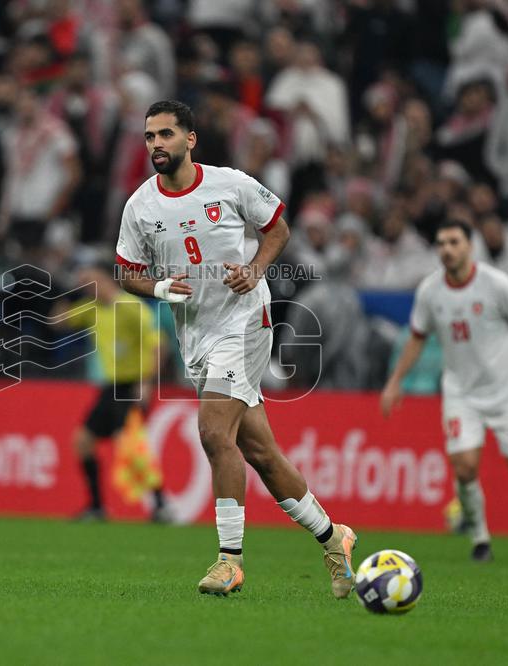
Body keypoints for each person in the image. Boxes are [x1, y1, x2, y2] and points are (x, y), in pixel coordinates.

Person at [115, 100, 357, 598]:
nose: (156, 144)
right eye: (149, 136)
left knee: (211, 430)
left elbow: (277, 229)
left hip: (245, 321)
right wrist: (160, 290)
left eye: (165, 134)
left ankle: (230, 560)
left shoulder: (230, 183)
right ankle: (335, 538)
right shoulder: (140, 205)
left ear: (190, 139)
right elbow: (125, 271)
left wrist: (255, 269)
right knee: (260, 453)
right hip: (196, 333)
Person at [381, 219, 508, 563]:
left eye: (454, 242)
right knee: (464, 466)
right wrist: (395, 381)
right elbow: (417, 336)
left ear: (469, 247)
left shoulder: (496, 284)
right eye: (441, 243)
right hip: (461, 393)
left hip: (506, 393)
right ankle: (480, 540)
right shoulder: (430, 291)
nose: (447, 249)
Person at [50, 262, 170, 523]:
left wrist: (147, 383)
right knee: (83, 441)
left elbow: (158, 344)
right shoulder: (92, 309)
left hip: (132, 384)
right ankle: (96, 507)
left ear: (104, 279)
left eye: (89, 278)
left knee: (129, 446)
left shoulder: (129, 306)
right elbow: (56, 321)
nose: (84, 283)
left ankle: (161, 505)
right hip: (111, 386)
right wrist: (70, 294)